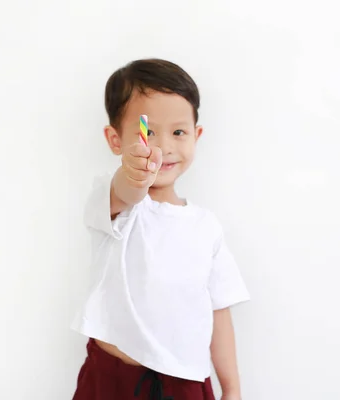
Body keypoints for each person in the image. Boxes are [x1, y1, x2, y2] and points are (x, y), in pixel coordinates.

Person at [71, 58, 250, 400]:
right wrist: (135, 173)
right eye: (148, 132)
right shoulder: (114, 201)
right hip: (111, 378)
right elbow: (128, 188)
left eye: (178, 132)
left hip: (184, 383)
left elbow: (218, 311)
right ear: (115, 139)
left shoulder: (206, 227)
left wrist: (232, 388)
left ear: (196, 136)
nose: (165, 146)